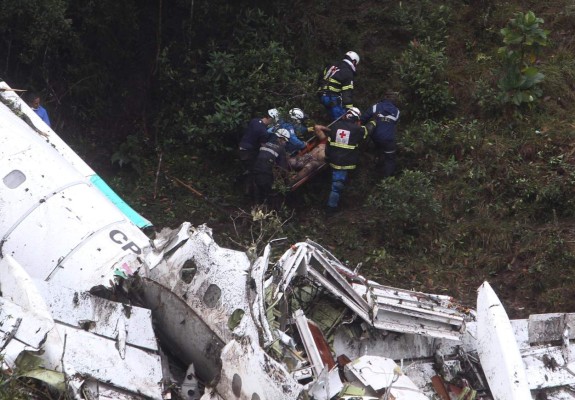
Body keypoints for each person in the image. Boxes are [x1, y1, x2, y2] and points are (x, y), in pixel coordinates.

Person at [318, 107, 373, 214]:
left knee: (333, 182)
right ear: (357, 119)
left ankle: (328, 203)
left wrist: (328, 157)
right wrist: (374, 121)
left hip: (332, 160)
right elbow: (368, 130)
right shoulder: (357, 130)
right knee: (337, 185)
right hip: (344, 163)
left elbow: (328, 144)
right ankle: (331, 209)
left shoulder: (335, 126)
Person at [238, 109, 279, 194]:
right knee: (254, 170)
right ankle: (248, 190)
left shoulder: (254, 121)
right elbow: (263, 146)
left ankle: (241, 183)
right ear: (270, 118)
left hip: (241, 147)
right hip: (248, 152)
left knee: (249, 168)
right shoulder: (263, 132)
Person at [360, 92, 400, 178]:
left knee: (373, 151)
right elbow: (395, 123)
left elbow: (363, 119)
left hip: (375, 138)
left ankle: (370, 173)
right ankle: (387, 180)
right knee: (390, 159)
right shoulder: (397, 112)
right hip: (389, 139)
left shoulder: (375, 107)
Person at [317, 51, 360, 121]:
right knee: (340, 122)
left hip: (321, 95)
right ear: (354, 62)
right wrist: (349, 110)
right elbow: (347, 93)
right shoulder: (348, 72)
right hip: (332, 98)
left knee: (326, 120)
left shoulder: (332, 66)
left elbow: (320, 78)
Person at [252, 128, 291, 205]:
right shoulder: (281, 149)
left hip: (255, 169)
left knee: (258, 191)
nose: (285, 143)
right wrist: (287, 182)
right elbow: (283, 168)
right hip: (265, 173)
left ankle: (256, 207)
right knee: (270, 193)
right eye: (285, 141)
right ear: (281, 138)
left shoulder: (266, 143)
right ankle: (267, 210)